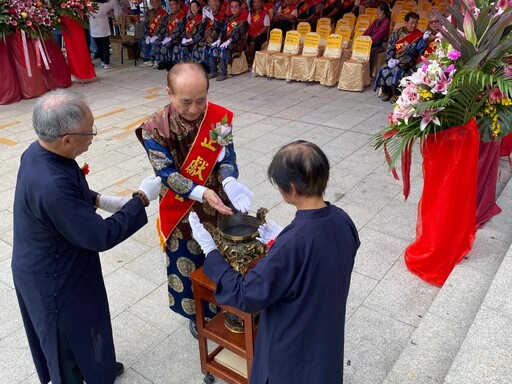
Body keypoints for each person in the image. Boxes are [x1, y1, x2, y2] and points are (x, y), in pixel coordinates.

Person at [12, 90, 162, 384]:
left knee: (89, 321)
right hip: (54, 278)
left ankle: (98, 369)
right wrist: (141, 199)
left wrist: (98, 199)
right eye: (89, 131)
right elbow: (101, 235)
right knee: (66, 341)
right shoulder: (51, 186)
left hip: (63, 259)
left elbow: (70, 188)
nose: (93, 136)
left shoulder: (39, 151)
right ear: (66, 139)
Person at [190, 140, 360, 383]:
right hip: (325, 330)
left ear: (290, 189)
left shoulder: (292, 243)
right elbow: (324, 258)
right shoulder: (343, 220)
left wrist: (211, 253)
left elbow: (247, 294)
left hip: (291, 347)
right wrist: (284, 239)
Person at [135, 62, 253, 338]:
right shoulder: (155, 129)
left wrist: (228, 181)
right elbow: (165, 173)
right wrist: (201, 193)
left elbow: (228, 156)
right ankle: (197, 314)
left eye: (201, 100)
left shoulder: (218, 118)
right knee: (189, 259)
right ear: (169, 93)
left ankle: (228, 303)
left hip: (219, 201)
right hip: (182, 208)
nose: (194, 108)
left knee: (226, 256)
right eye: (185, 101)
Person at [374, 11, 425, 103]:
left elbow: (416, 51)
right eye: (411, 23)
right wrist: (390, 59)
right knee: (383, 69)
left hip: (408, 62)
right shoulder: (397, 32)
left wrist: (400, 61)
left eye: (416, 23)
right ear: (406, 23)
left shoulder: (419, 36)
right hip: (394, 60)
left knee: (397, 70)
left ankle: (396, 94)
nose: (414, 25)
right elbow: (390, 47)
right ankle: (387, 92)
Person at [207, 0, 249, 81]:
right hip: (225, 42)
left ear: (240, 8)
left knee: (223, 49)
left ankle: (223, 73)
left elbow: (238, 33)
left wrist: (229, 40)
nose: (234, 9)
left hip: (237, 43)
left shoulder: (243, 20)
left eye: (236, 6)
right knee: (212, 47)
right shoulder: (228, 19)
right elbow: (223, 30)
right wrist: (219, 39)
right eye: (232, 7)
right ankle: (213, 71)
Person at [88, 0, 122, 70]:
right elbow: (113, 2)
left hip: (94, 30)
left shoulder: (88, 6)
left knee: (99, 47)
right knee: (105, 47)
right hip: (103, 30)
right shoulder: (102, 6)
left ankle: (102, 61)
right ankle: (106, 63)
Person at [154, 0, 187, 70]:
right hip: (168, 37)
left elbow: (179, 30)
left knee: (168, 44)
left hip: (178, 38)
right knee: (157, 42)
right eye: (170, 5)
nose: (172, 7)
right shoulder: (168, 16)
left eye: (173, 4)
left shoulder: (182, 16)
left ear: (178, 5)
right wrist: (160, 36)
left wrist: (170, 38)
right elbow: (165, 28)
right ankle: (162, 62)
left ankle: (171, 63)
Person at [363, 2, 391, 76]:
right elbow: (368, 31)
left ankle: (368, 73)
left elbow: (379, 34)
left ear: (382, 11)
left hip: (380, 44)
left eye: (378, 10)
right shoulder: (376, 21)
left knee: (371, 51)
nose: (377, 12)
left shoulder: (386, 22)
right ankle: (362, 70)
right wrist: (362, 38)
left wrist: (370, 41)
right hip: (371, 42)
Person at [141, 0, 169, 68]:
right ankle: (147, 60)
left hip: (160, 35)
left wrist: (157, 36)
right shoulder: (149, 13)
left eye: (156, 2)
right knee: (144, 41)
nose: (155, 4)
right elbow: (146, 25)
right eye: (153, 2)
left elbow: (165, 28)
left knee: (157, 42)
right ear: (150, 3)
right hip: (150, 34)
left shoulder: (164, 14)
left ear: (160, 2)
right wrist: (147, 35)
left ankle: (155, 60)